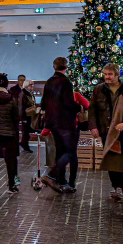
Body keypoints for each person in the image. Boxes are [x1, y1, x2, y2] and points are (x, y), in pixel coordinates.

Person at [40, 57, 82, 194]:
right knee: (69, 152)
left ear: (54, 67)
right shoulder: (66, 82)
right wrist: (79, 108)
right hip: (65, 122)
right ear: (66, 67)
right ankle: (51, 175)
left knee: (60, 151)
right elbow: (68, 103)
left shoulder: (49, 82)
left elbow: (44, 104)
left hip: (52, 122)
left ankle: (60, 181)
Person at [88, 63, 123, 199]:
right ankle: (117, 187)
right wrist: (93, 126)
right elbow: (92, 109)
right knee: (111, 159)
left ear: (117, 75)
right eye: (105, 74)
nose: (107, 77)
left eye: (110, 74)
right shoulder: (99, 89)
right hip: (106, 130)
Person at [19, 79, 37, 153]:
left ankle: (24, 144)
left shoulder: (30, 94)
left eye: (33, 85)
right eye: (30, 85)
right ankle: (25, 145)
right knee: (25, 131)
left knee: (27, 131)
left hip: (29, 114)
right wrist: (22, 117)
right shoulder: (23, 94)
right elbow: (21, 106)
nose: (32, 86)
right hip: (26, 115)